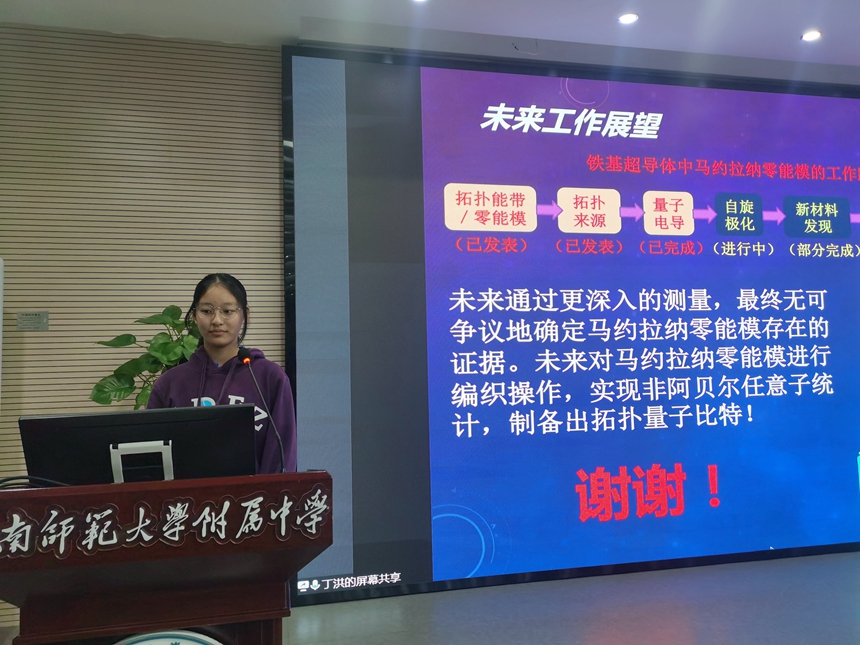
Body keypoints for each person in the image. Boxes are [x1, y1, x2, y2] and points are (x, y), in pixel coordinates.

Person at [147, 273, 296, 474]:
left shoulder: (269, 377)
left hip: (255, 494)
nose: (217, 320)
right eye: (207, 311)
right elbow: (153, 459)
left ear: (245, 315)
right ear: (194, 316)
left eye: (227, 311)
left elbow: (282, 454)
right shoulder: (169, 384)